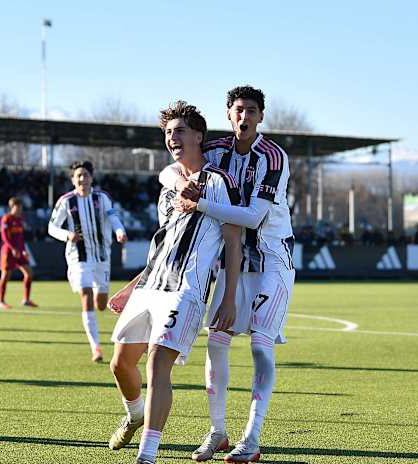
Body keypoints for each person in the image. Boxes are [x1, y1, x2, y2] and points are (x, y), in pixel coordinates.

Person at [158, 86, 294, 462]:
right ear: (229, 114)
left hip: (271, 261)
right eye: (237, 110)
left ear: (261, 116)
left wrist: (198, 202)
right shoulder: (217, 150)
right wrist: (180, 186)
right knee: (216, 340)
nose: (244, 116)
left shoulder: (273, 156)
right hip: (232, 264)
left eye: (251, 110)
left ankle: (252, 437)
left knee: (259, 346)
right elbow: (169, 170)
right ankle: (218, 431)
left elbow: (253, 216)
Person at [107, 101, 242, 464]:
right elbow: (164, 241)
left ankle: (147, 455)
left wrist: (228, 298)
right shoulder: (168, 185)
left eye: (179, 131)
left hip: (187, 290)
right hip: (151, 285)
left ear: (199, 135)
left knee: (157, 365)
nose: (172, 138)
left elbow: (233, 243)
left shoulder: (220, 182)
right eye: (168, 133)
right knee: (120, 364)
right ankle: (135, 414)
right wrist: (133, 285)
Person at [48, 160, 127, 363]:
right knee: (86, 295)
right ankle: (96, 348)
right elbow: (52, 227)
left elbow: (113, 217)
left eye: (85, 175)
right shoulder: (66, 201)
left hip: (102, 257)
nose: (82, 179)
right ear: (73, 179)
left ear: (92, 178)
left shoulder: (102, 198)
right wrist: (67, 235)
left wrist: (120, 231)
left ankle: (99, 309)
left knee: (101, 303)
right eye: (78, 176)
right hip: (78, 257)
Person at [0, 197, 37, 309]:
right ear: (12, 207)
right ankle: (1, 301)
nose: (20, 209)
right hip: (8, 252)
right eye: (17, 207)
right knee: (5, 276)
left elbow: (20, 238)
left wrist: (23, 250)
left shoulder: (20, 219)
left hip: (19, 251)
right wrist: (13, 248)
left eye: (21, 207)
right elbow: (4, 237)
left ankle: (26, 299)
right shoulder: (6, 219)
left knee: (29, 273)